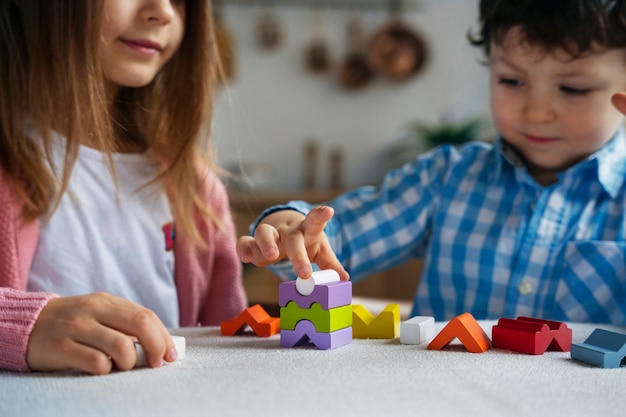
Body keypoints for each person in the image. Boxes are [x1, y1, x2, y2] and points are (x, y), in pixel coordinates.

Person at [237, 0, 626, 325]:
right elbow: (342, 238)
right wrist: (295, 228)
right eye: (511, 80)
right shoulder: (448, 179)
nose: (538, 112)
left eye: (573, 88)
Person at [0, 0, 247, 375]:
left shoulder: (196, 188)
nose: (162, 12)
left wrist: (298, 272)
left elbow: (233, 354)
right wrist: (19, 326)